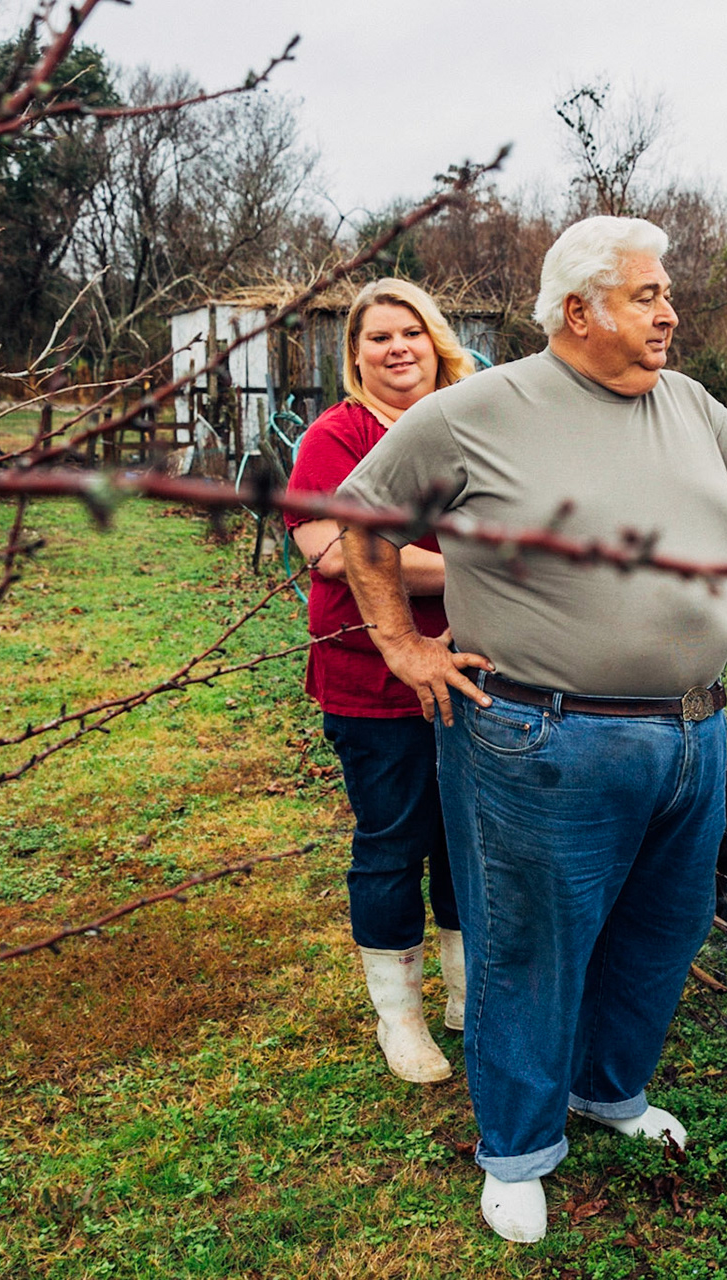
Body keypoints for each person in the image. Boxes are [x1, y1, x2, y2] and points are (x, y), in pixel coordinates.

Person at [334, 216, 727, 1243]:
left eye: (666, 293)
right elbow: (362, 515)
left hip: (691, 734)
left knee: (661, 932)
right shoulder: (479, 408)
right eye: (649, 294)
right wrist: (402, 645)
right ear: (580, 312)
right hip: (539, 740)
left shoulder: (694, 408)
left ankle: (607, 1091)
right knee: (529, 947)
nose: (670, 311)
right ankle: (517, 1150)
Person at [286, 279, 475, 1084]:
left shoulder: (473, 416)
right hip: (374, 679)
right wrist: (481, 571)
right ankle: (399, 1018)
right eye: (378, 338)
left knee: (468, 838)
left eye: (412, 332)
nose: (398, 348)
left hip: (477, 671)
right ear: (355, 354)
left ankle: (473, 996)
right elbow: (333, 552)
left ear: (436, 340)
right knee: (394, 838)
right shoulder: (337, 438)